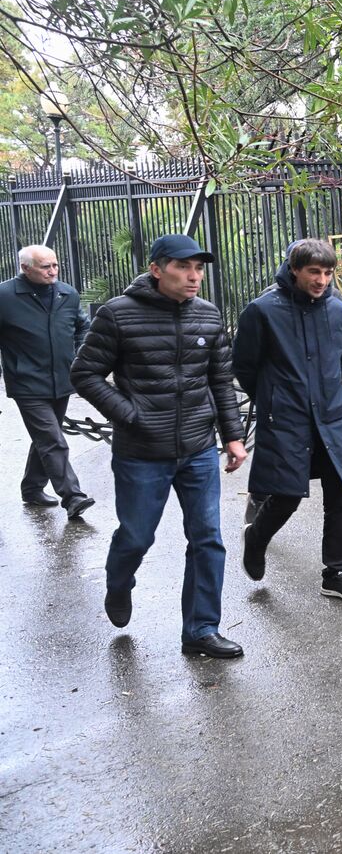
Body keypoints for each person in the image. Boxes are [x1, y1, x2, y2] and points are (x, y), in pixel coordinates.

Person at [71, 234, 248, 658]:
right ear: (156, 269)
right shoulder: (117, 315)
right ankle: (119, 582)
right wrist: (131, 414)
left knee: (208, 538)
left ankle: (201, 630)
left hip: (199, 449)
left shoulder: (208, 317)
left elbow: (221, 383)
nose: (194, 276)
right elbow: (85, 373)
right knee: (136, 536)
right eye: (184, 267)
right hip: (141, 453)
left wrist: (234, 437)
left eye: (199, 268)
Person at [233, 238, 342, 602]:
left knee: (340, 494)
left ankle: (336, 573)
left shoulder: (337, 309)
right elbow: (244, 366)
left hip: (331, 415)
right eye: (314, 272)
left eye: (327, 272)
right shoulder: (262, 311)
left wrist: (336, 386)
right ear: (295, 269)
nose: (322, 280)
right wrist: (273, 396)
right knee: (287, 495)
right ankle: (256, 538)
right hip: (287, 417)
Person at [0, 245, 95, 518]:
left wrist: (80, 357)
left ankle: (32, 488)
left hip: (62, 380)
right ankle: (73, 496)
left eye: (55, 265)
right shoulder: (5, 296)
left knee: (45, 437)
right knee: (53, 439)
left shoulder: (67, 293)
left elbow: (83, 328)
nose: (52, 271)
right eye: (45, 267)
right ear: (25, 268)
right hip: (27, 382)